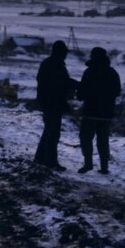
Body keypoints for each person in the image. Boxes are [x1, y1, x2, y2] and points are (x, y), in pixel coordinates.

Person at [33, 40, 80, 170]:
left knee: (49, 131)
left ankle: (40, 158)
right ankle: (50, 161)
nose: (65, 55)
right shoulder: (54, 64)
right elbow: (62, 82)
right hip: (52, 103)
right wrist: (78, 85)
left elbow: (61, 82)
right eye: (64, 52)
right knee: (52, 133)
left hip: (50, 102)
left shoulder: (50, 63)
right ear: (59, 52)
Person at [76, 46, 122, 175]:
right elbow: (117, 91)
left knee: (85, 139)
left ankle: (88, 164)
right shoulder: (112, 72)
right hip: (106, 113)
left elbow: (81, 92)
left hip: (90, 112)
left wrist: (81, 95)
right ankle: (104, 167)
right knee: (103, 141)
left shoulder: (89, 72)